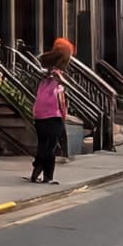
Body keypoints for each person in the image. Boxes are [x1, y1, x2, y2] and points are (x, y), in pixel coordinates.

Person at [31, 37, 71, 184]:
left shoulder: (44, 73)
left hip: (39, 113)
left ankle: (38, 167)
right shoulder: (57, 74)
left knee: (43, 143)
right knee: (51, 146)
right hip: (53, 114)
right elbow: (63, 90)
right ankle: (48, 175)